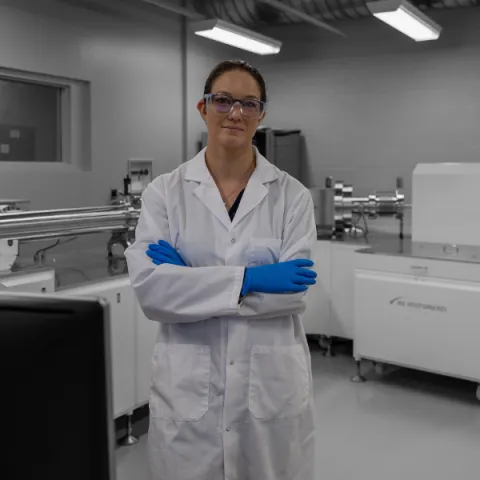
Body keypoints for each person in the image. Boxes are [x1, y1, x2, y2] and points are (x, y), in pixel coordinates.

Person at [125, 60, 318, 480]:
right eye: (224, 100)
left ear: (261, 114)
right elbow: (153, 293)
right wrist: (251, 279)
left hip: (269, 384)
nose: (236, 113)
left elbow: (292, 294)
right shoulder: (164, 193)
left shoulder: (292, 196)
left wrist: (190, 281)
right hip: (189, 387)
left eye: (249, 103)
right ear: (203, 108)